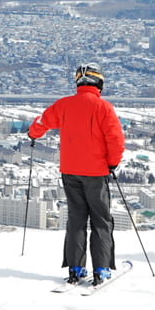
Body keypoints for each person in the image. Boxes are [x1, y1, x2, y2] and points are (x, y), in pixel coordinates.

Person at [28, 63, 125, 286]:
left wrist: (32, 134)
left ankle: (75, 268)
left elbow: (41, 123)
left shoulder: (64, 105)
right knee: (101, 220)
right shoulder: (103, 107)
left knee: (76, 219)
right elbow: (116, 140)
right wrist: (111, 164)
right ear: (99, 83)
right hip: (96, 173)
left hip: (70, 171)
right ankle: (101, 269)